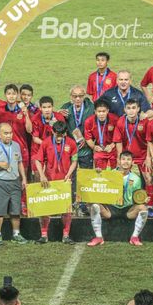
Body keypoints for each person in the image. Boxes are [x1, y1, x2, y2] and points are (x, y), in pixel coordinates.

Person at [87, 151, 149, 246]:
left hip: (128, 210)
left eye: (128, 159)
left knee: (143, 208)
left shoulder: (136, 179)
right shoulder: (110, 174)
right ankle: (99, 237)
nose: (126, 162)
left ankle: (134, 237)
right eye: (123, 159)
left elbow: (136, 197)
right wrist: (98, 174)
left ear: (132, 162)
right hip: (111, 209)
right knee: (94, 206)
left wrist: (142, 199)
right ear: (119, 161)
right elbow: (99, 184)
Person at [0, 123, 29, 246]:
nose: (9, 136)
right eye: (6, 133)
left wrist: (23, 178)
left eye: (11, 133)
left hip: (14, 182)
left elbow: (19, 163)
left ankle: (16, 234)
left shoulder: (16, 146)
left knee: (15, 211)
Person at [33, 121, 77, 244]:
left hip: (64, 181)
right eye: (57, 135)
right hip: (49, 182)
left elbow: (74, 160)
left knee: (66, 209)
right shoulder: (46, 142)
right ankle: (44, 235)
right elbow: (37, 160)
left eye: (61, 135)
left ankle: (66, 235)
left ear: (65, 133)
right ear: (52, 132)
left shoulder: (71, 143)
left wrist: (69, 174)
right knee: (45, 209)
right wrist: (42, 175)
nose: (59, 138)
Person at [0, 84, 33, 215]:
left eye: (13, 94)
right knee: (4, 177)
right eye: (9, 93)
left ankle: (23, 203)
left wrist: (26, 115)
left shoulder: (23, 110)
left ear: (17, 96)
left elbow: (29, 130)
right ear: (5, 95)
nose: (11, 96)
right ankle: (6, 204)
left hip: (21, 149)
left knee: (22, 177)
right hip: (4, 151)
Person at [112, 99, 153, 216]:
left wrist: (148, 158)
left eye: (134, 108)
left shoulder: (145, 122)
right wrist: (120, 159)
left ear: (138, 109)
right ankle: (126, 203)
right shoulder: (121, 122)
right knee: (123, 180)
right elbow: (118, 142)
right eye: (129, 108)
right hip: (127, 158)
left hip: (142, 156)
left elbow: (149, 141)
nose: (131, 111)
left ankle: (149, 205)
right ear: (125, 110)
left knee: (148, 179)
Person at [58, 84, 95, 214]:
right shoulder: (65, 108)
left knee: (86, 176)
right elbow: (58, 126)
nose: (78, 99)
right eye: (75, 96)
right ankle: (71, 201)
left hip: (85, 148)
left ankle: (85, 203)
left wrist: (88, 139)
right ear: (71, 97)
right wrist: (59, 115)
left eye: (80, 96)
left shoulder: (91, 107)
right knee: (70, 176)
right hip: (71, 149)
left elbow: (95, 126)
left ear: (84, 96)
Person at [31, 96, 65, 172]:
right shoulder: (35, 119)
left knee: (54, 173)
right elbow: (35, 138)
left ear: (53, 107)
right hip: (38, 149)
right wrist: (47, 144)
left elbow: (63, 135)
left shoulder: (59, 117)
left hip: (54, 148)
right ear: (40, 108)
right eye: (44, 107)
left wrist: (56, 127)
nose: (47, 110)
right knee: (38, 173)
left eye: (49, 107)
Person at [84, 98, 119, 170]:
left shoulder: (115, 119)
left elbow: (119, 136)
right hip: (99, 149)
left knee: (115, 173)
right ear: (95, 112)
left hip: (112, 149)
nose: (101, 114)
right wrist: (94, 147)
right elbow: (88, 138)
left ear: (107, 111)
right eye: (99, 111)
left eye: (103, 111)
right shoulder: (89, 121)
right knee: (99, 173)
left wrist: (112, 145)